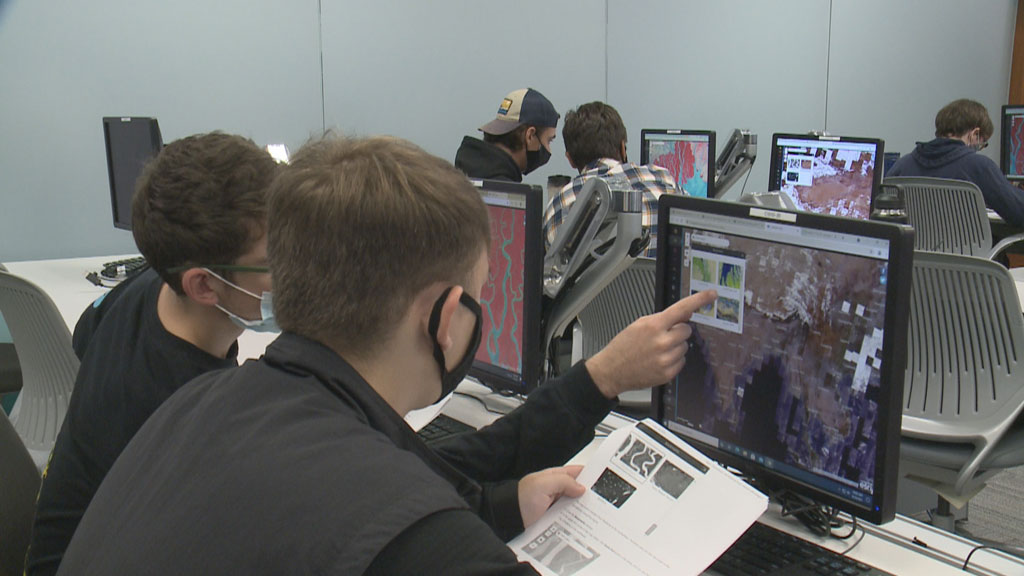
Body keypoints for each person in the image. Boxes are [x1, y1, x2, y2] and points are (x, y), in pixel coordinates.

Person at [56, 135, 716, 574]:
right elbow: (396, 510)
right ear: (443, 317)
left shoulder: (205, 403)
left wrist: (588, 388)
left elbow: (397, 478)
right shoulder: (425, 545)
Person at [25, 133, 280, 576]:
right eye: (276, 258)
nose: (300, 267)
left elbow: (85, 332)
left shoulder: (149, 287)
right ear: (203, 285)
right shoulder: (183, 414)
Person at [543, 101, 681, 258]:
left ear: (570, 159)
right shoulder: (664, 178)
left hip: (601, 283)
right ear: (622, 147)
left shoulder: (558, 206)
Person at [887, 98, 1024, 226]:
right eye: (982, 143)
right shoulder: (979, 166)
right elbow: (1018, 212)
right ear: (974, 134)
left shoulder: (901, 165)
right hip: (965, 251)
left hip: (911, 250)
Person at [455, 87, 559, 182]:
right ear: (530, 136)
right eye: (549, 141)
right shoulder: (508, 193)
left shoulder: (458, 177)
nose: (549, 150)